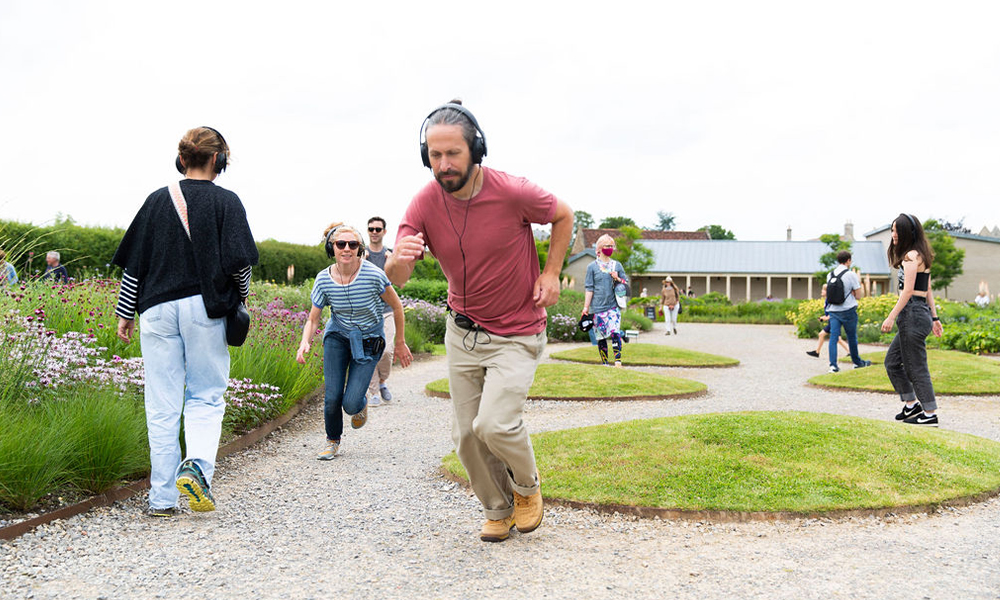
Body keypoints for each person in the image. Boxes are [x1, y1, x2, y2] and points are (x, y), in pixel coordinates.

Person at [387, 100, 573, 543]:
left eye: (453, 154)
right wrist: (398, 261)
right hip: (462, 333)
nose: (444, 164)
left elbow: (564, 215)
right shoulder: (425, 202)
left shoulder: (512, 191)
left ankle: (527, 488)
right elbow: (394, 276)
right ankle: (498, 508)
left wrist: (550, 272)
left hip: (517, 331)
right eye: (434, 155)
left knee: (493, 424)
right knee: (465, 435)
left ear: (476, 150)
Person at [112, 126, 258, 517]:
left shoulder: (156, 201)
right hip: (204, 308)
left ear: (182, 159)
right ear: (218, 160)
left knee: (161, 404)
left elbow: (134, 266)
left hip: (156, 310)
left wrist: (126, 312)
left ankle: (161, 501)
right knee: (206, 395)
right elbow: (240, 264)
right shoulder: (227, 202)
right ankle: (196, 468)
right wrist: (241, 298)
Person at [297, 224, 412, 460]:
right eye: (341, 244)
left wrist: (399, 342)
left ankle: (360, 404)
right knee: (332, 396)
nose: (347, 248)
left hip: (369, 340)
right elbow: (313, 318)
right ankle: (332, 441)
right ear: (332, 248)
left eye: (353, 244)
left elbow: (397, 306)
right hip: (338, 337)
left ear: (360, 249)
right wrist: (304, 341)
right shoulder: (323, 279)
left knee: (350, 404)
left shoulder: (373, 275)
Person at [881, 214, 943, 426]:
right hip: (920, 313)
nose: (893, 234)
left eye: (897, 230)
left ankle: (929, 413)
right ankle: (911, 404)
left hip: (912, 314)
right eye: (892, 230)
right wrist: (934, 317)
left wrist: (891, 316)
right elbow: (928, 289)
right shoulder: (921, 255)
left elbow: (907, 291)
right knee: (892, 362)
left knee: (916, 367)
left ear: (907, 232)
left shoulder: (910, 257)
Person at [582, 234, 627, 367]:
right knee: (601, 336)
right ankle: (605, 363)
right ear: (600, 248)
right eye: (607, 246)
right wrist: (586, 307)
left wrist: (618, 278)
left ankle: (618, 360)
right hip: (597, 308)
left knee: (615, 332)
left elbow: (626, 283)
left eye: (612, 246)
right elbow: (589, 288)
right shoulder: (592, 267)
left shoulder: (617, 265)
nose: (610, 248)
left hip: (613, 306)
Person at [364, 216, 395, 407]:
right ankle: (374, 391)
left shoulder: (390, 256)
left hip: (387, 310)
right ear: (367, 231)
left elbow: (398, 282)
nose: (374, 232)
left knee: (387, 351)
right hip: (366, 312)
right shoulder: (360, 255)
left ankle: (383, 381)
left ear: (384, 231)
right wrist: (361, 261)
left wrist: (392, 264)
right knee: (369, 353)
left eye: (378, 229)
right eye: (371, 229)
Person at [825, 251, 872, 373]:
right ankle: (857, 362)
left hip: (833, 311)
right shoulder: (851, 274)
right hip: (848, 310)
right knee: (851, 337)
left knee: (833, 338)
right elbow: (859, 295)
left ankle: (833, 365)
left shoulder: (830, 275)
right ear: (848, 261)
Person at [806, 284, 850, 358]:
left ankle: (850, 352)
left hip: (834, 321)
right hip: (832, 321)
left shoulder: (830, 301)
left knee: (837, 338)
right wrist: (824, 317)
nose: (821, 291)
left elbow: (834, 312)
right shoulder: (827, 300)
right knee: (824, 335)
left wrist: (826, 318)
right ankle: (817, 352)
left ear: (827, 292)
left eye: (823, 290)